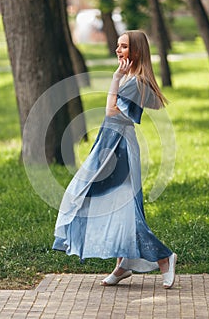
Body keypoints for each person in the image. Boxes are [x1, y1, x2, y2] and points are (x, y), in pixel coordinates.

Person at [53, 30, 177, 289]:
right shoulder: (134, 79)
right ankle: (123, 265)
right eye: (117, 46)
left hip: (118, 146)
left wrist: (115, 78)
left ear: (137, 52)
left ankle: (164, 257)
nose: (117, 51)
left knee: (119, 206)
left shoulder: (133, 81)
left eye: (123, 47)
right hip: (108, 142)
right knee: (109, 203)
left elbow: (111, 110)